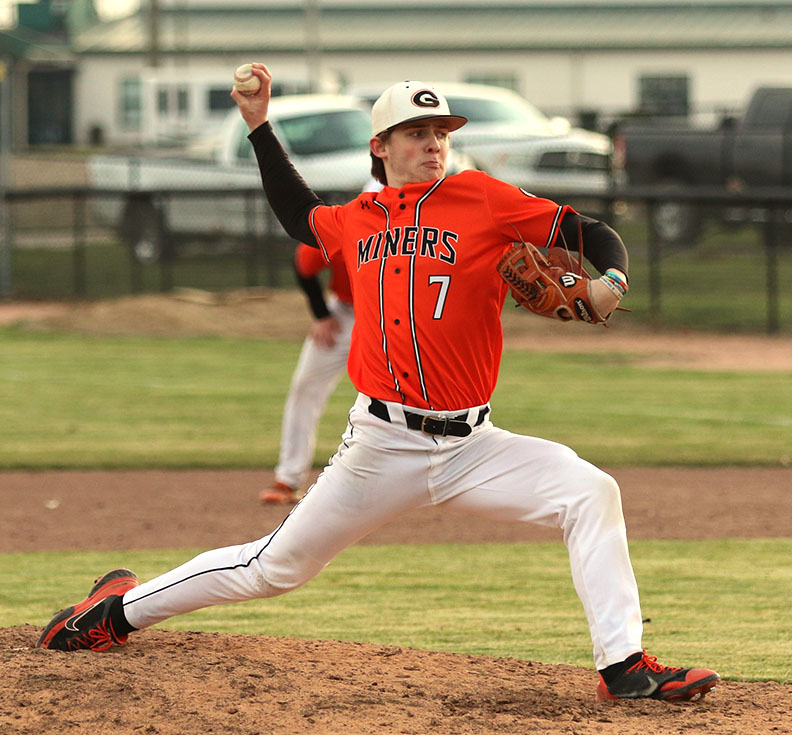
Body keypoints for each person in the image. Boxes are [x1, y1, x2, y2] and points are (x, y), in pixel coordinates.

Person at [37, 69, 719, 703]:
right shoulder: (358, 217)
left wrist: (612, 280)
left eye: (441, 133)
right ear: (382, 145)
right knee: (274, 567)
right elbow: (297, 212)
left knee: (589, 490)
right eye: (417, 134)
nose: (433, 144)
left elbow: (588, 230)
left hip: (473, 444)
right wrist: (258, 124)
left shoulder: (482, 198)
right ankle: (116, 609)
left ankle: (623, 667)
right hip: (383, 442)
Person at [260, 243, 354, 504]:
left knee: (401, 395)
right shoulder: (345, 223)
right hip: (343, 315)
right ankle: (287, 479)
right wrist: (321, 314)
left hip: (392, 314)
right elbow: (303, 263)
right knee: (305, 388)